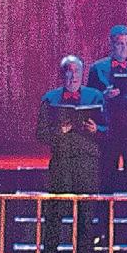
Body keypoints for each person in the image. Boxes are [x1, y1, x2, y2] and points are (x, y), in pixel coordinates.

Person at [86, 23, 127, 191]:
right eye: (119, 43)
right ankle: (105, 209)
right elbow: (89, 102)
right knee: (106, 178)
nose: (123, 48)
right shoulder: (98, 68)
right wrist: (104, 96)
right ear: (111, 44)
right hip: (108, 130)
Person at [36, 55, 104, 193]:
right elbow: (40, 134)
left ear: (82, 73)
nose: (73, 76)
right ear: (62, 74)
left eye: (77, 71)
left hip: (87, 162)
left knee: (86, 204)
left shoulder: (96, 97)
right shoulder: (50, 99)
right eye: (69, 71)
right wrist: (59, 131)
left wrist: (96, 129)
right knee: (59, 203)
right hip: (61, 162)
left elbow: (109, 130)